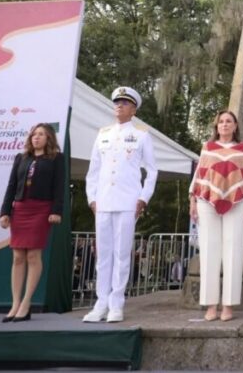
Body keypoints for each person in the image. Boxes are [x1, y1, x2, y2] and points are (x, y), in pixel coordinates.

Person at [82, 86, 158, 323]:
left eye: (125, 103)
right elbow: (93, 170)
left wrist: (143, 198)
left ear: (133, 109)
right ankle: (100, 302)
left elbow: (152, 170)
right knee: (103, 254)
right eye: (117, 102)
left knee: (122, 254)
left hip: (127, 200)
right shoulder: (103, 134)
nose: (119, 106)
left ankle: (116, 303)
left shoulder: (141, 134)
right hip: (103, 200)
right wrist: (91, 197)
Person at [188, 110, 243, 322]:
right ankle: (211, 305)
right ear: (216, 126)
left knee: (233, 252)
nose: (225, 125)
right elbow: (199, 175)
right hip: (206, 202)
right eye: (221, 122)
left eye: (229, 122)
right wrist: (192, 202)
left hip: (238, 204)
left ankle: (228, 305)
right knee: (209, 251)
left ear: (235, 126)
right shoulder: (207, 148)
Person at [0, 123, 65, 322]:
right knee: (18, 256)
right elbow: (11, 185)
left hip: (41, 210)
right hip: (20, 209)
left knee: (33, 256)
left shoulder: (56, 159)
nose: (36, 137)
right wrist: (5, 211)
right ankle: (15, 303)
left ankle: (27, 303)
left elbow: (59, 187)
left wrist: (56, 211)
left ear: (49, 138)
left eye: (41, 134)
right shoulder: (21, 158)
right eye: (34, 134)